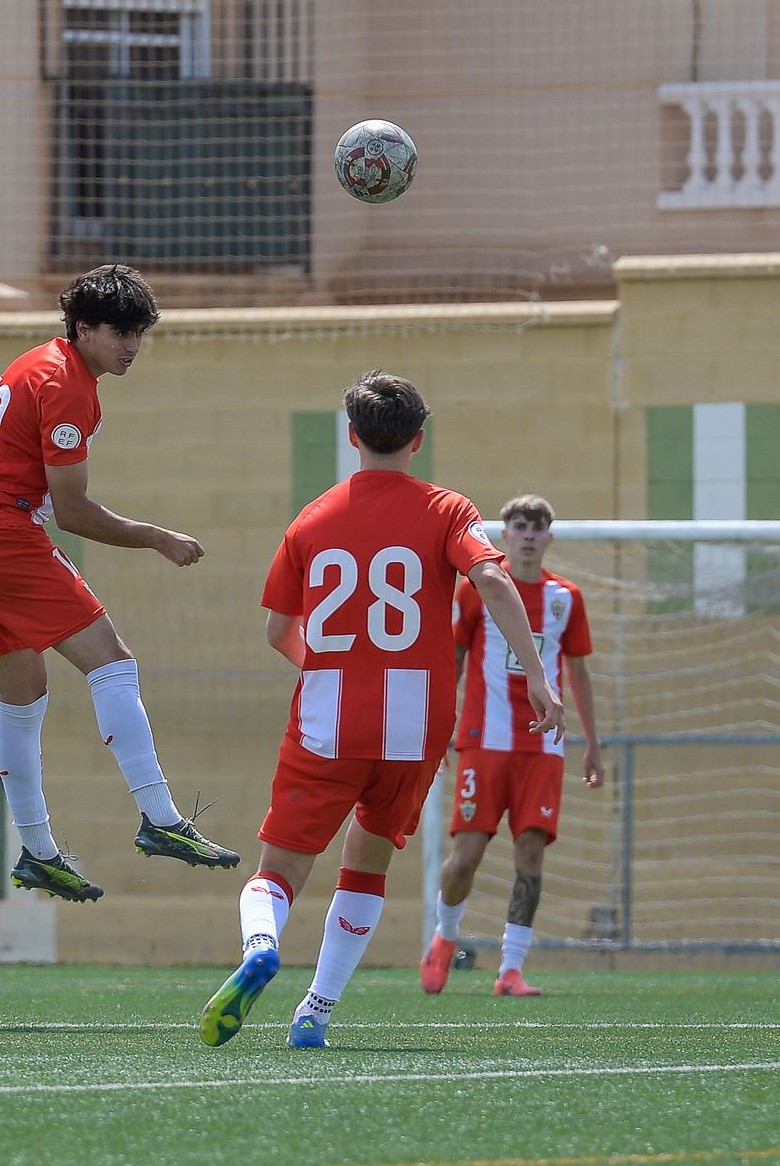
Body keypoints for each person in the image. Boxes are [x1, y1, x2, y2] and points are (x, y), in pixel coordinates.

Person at [199, 372, 564, 1050]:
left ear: (351, 437)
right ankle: (315, 1013)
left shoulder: (312, 519)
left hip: (328, 723)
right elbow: (490, 577)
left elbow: (278, 629)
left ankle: (261, 945)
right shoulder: (448, 510)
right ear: (418, 440)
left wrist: (334, 673)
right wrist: (536, 675)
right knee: (366, 867)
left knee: (277, 872)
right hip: (413, 727)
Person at [0, 264, 240, 903]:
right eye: (120, 332)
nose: (132, 345)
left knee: (23, 698)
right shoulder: (65, 383)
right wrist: (157, 537)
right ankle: (161, 817)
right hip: (2, 536)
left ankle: (37, 852)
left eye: (139, 333)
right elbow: (72, 512)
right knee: (112, 662)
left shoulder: (42, 364)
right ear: (83, 327)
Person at [420, 494, 604, 997]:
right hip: (484, 741)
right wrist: (438, 729)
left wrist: (591, 744)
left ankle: (511, 969)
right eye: (519, 526)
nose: (527, 535)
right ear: (504, 536)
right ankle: (445, 936)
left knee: (531, 852)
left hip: (542, 747)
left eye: (536, 527)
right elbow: (454, 659)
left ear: (549, 538)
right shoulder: (476, 591)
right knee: (466, 857)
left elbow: (578, 672)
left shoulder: (566, 598)